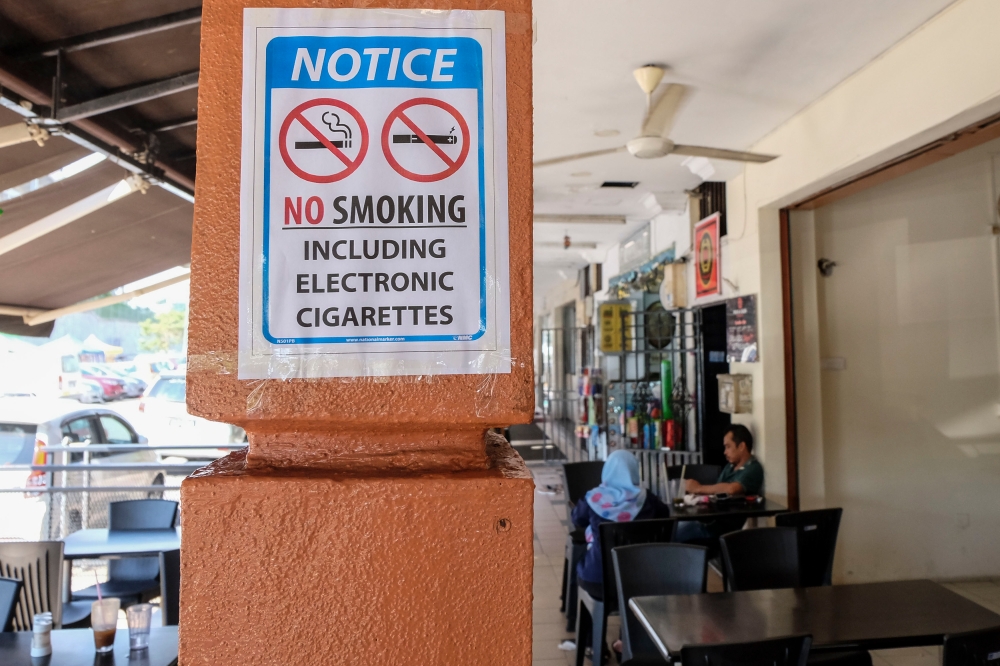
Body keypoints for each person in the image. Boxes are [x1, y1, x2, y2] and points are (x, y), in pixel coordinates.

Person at [570, 449, 668, 601]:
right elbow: (665, 516)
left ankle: (581, 621)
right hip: (643, 581)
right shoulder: (648, 499)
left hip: (597, 581)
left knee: (582, 556)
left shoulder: (593, 498)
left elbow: (577, 520)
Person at [674, 424, 764, 542]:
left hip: (720, 530)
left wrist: (698, 488)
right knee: (671, 527)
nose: (725, 452)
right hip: (709, 519)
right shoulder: (730, 466)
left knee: (671, 534)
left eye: (728, 447)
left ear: (741, 446)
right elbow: (718, 489)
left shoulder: (753, 468)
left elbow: (732, 489)